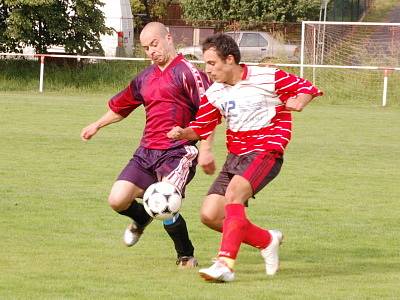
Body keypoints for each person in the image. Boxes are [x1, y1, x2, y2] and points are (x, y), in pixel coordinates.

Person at [167, 33, 323, 281]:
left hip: (266, 150)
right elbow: (203, 126)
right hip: (236, 156)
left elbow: (307, 88)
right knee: (210, 215)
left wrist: (300, 102)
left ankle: (225, 264)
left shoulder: (267, 76)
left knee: (234, 194)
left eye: (211, 63)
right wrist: (182, 132)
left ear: (229, 60)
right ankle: (266, 240)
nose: (207, 70)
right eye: (205, 64)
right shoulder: (215, 93)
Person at [80, 22, 213, 268]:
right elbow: (122, 107)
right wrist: (97, 124)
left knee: (164, 199)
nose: (151, 51)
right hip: (146, 151)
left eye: (154, 44)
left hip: (177, 152)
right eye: (145, 48)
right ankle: (141, 219)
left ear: (169, 38)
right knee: (117, 200)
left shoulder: (188, 72)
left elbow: (209, 113)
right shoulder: (145, 77)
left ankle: (186, 255)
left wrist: (203, 148)